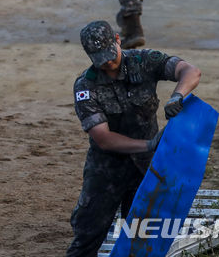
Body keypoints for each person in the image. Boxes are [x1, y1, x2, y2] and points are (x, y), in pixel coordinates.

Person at [66, 20, 201, 257]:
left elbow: (190, 71)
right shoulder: (86, 85)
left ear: (118, 40)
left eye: (110, 54)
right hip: (106, 170)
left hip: (147, 169)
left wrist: (177, 96)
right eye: (100, 58)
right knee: (88, 234)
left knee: (142, 236)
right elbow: (103, 138)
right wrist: (148, 145)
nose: (108, 62)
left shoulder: (145, 61)